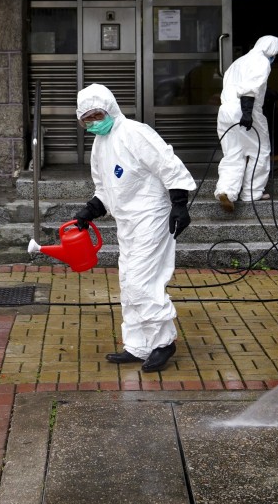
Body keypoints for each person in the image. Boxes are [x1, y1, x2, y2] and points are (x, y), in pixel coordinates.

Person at [72, 83, 195, 372]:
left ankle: (163, 342)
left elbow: (168, 165)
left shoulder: (134, 133)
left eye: (97, 115)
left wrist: (179, 203)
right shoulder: (100, 146)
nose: (94, 123)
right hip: (127, 222)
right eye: (87, 119)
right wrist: (89, 211)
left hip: (151, 217)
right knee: (128, 282)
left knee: (141, 282)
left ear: (110, 108)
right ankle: (138, 345)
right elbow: (105, 189)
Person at [214, 35, 278, 212]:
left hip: (226, 112)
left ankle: (226, 191)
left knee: (233, 153)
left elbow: (242, 85)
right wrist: (246, 113)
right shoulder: (262, 61)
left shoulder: (239, 62)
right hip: (245, 110)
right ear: (272, 51)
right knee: (259, 151)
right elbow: (250, 89)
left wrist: (271, 94)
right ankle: (252, 193)